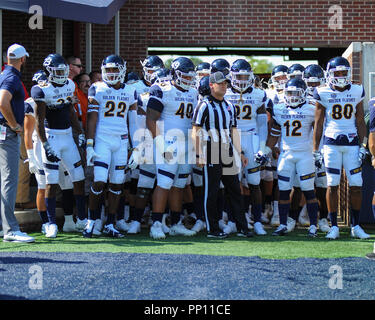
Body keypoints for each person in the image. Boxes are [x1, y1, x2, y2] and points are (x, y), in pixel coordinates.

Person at [313, 56, 370, 239]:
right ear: (329, 74)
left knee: (356, 184)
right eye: (337, 72)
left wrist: (364, 144)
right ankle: (334, 226)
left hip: (352, 142)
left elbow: (360, 120)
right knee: (332, 183)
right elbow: (318, 122)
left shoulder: (356, 89)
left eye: (343, 72)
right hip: (331, 143)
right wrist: (316, 149)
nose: (340, 76)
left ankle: (356, 226)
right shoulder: (322, 92)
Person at [31, 53, 87, 238]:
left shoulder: (70, 85)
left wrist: (79, 132)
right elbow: (39, 122)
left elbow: (70, 110)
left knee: (78, 178)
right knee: (51, 182)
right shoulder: (41, 90)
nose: (63, 74)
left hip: (67, 137)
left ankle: (82, 219)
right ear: (49, 72)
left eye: (64, 70)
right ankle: (51, 223)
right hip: (51, 135)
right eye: (59, 71)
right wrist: (45, 145)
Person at [192, 71, 253, 238]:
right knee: (211, 192)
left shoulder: (229, 106)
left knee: (234, 190)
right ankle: (212, 229)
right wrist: (198, 154)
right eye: (221, 83)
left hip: (228, 151)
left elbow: (233, 130)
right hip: (211, 150)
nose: (224, 86)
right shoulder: (204, 105)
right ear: (211, 85)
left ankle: (242, 227)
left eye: (226, 83)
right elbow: (195, 130)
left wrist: (240, 152)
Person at [83, 54, 138, 238]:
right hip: (102, 139)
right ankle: (91, 221)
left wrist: (136, 147)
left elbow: (133, 121)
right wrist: (90, 144)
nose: (112, 73)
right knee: (99, 180)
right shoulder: (97, 88)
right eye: (108, 70)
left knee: (117, 183)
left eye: (115, 69)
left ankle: (111, 223)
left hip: (121, 141)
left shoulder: (131, 91)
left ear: (123, 70)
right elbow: (92, 118)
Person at [146, 57, 198, 239]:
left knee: (179, 184)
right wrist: (160, 145)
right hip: (168, 141)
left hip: (186, 143)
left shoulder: (193, 92)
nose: (188, 79)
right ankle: (156, 224)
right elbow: (151, 119)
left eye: (191, 76)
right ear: (175, 74)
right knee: (164, 183)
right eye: (185, 75)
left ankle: (175, 223)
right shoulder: (162, 90)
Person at [265, 78, 320, 237]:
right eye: (289, 93)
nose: (293, 96)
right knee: (283, 190)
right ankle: (283, 224)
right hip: (286, 154)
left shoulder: (311, 108)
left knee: (308, 190)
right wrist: (265, 150)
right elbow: (274, 133)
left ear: (303, 93)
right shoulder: (279, 108)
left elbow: (318, 131)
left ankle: (313, 226)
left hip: (305, 154)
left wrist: (317, 151)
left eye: (296, 93)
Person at [224, 59, 268, 236]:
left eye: (245, 75)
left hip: (251, 138)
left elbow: (263, 124)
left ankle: (256, 221)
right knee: (231, 183)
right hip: (230, 138)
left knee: (255, 183)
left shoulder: (259, 94)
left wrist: (263, 148)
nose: (242, 79)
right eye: (238, 76)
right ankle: (234, 221)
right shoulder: (224, 94)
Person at [0, 44, 34, 242]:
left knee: (4, 181)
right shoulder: (12, 77)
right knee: (9, 180)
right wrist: (14, 125)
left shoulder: (5, 74)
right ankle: (11, 229)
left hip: (3, 131)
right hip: (7, 132)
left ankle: (5, 226)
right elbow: (3, 102)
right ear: (23, 59)